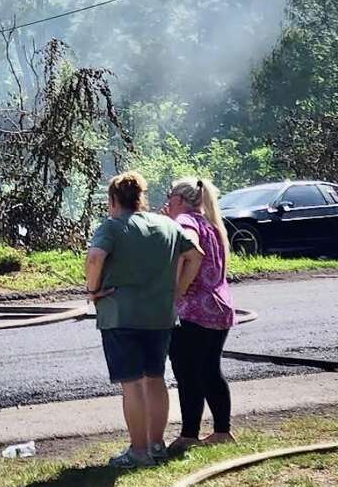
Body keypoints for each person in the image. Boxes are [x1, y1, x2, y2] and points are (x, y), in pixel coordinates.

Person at [85, 171, 203, 468]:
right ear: (140, 198)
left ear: (113, 200)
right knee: (155, 379)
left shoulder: (112, 227)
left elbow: (95, 257)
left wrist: (92, 290)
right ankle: (156, 444)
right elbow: (196, 255)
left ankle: (138, 452)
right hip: (161, 315)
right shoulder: (166, 224)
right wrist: (179, 290)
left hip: (121, 315)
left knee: (132, 384)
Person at [164, 177, 236, 455]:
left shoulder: (187, 223)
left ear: (180, 200)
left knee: (187, 373)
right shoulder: (211, 223)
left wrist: (178, 292)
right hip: (219, 307)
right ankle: (222, 431)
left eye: (170, 197)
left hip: (193, 312)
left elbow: (191, 249)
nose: (167, 202)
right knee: (209, 370)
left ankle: (189, 434)